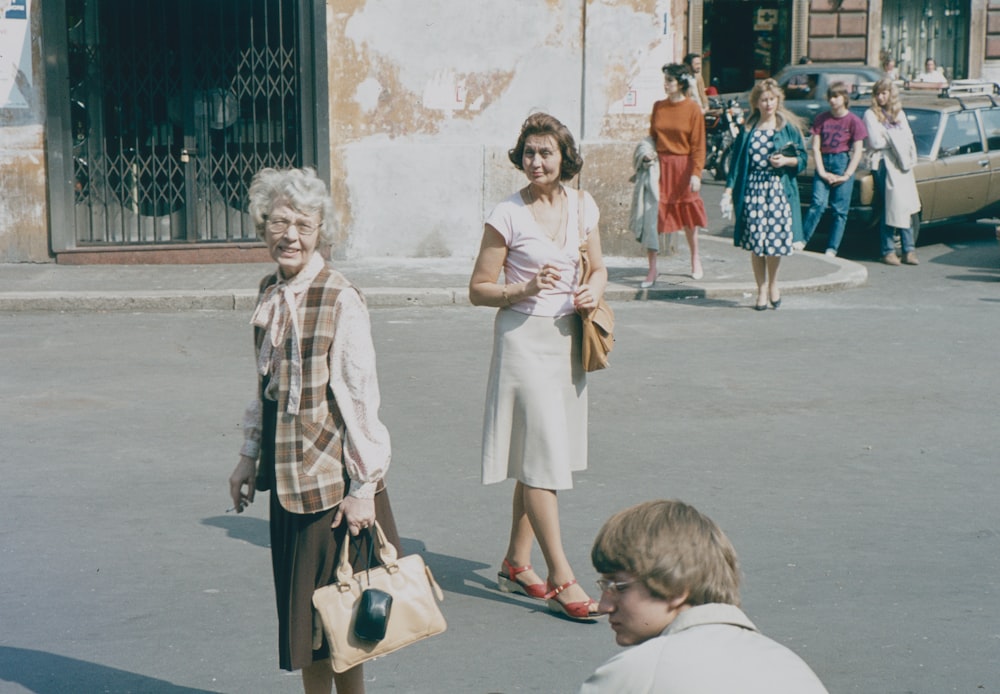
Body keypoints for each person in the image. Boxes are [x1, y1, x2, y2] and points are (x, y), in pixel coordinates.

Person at [228, 167, 400, 694]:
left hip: (334, 489)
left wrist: (364, 488)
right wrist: (248, 455)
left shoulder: (339, 296)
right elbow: (265, 386)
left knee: (342, 626)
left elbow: (360, 396)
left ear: (321, 229)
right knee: (306, 626)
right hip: (288, 485)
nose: (290, 236)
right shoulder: (271, 292)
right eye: (279, 223)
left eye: (303, 224)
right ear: (262, 228)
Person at [469, 112, 606, 622]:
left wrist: (596, 288)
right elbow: (477, 289)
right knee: (544, 460)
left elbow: (599, 265)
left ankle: (514, 561)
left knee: (538, 456)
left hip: (567, 339)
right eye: (529, 152)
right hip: (523, 342)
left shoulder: (582, 205)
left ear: (564, 157)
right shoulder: (506, 214)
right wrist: (523, 288)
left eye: (546, 152)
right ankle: (562, 575)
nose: (536, 161)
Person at [579, 500, 830, 693]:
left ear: (675, 588)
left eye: (619, 586)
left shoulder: (636, 672)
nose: (604, 605)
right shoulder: (789, 666)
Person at [722, 78, 807, 310]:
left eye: (772, 99)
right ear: (756, 103)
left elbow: (803, 159)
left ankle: (773, 285)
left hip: (778, 190)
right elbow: (738, 162)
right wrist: (729, 191)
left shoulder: (787, 127)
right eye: (764, 100)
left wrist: (787, 160)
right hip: (754, 190)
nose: (768, 104)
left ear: (778, 101)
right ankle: (760, 289)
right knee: (757, 241)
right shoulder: (748, 129)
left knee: (775, 241)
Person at [644, 63, 707, 287]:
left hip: (683, 168)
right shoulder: (658, 107)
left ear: (680, 83)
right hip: (660, 167)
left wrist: (696, 173)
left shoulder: (692, 109)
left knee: (689, 217)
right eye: (665, 80)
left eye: (670, 80)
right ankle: (652, 269)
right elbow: (652, 136)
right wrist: (647, 154)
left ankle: (695, 258)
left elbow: (699, 145)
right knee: (654, 217)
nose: (666, 84)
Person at [800, 81, 868, 257]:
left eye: (836, 97)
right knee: (817, 203)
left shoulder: (854, 121)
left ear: (844, 98)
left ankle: (832, 247)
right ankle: (802, 239)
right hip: (824, 160)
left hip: (842, 161)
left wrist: (846, 175)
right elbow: (815, 147)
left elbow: (858, 151)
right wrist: (821, 171)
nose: (832, 100)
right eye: (830, 97)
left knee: (840, 210)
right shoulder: (822, 118)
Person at [864, 78, 922, 265]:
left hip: (901, 162)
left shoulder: (899, 114)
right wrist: (895, 138)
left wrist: (889, 136)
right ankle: (888, 250)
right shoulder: (870, 114)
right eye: (878, 94)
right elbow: (875, 142)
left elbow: (908, 137)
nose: (881, 97)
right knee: (891, 204)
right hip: (882, 162)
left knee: (905, 205)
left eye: (884, 93)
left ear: (891, 94)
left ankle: (909, 249)